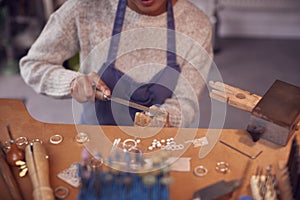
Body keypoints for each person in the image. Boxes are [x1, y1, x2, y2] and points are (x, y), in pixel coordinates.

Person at [19, 0, 213, 127]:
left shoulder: (196, 25)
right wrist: (71, 82)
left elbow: (186, 101)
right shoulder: (85, 8)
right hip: (96, 142)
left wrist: (167, 118)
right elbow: (34, 65)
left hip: (162, 147)